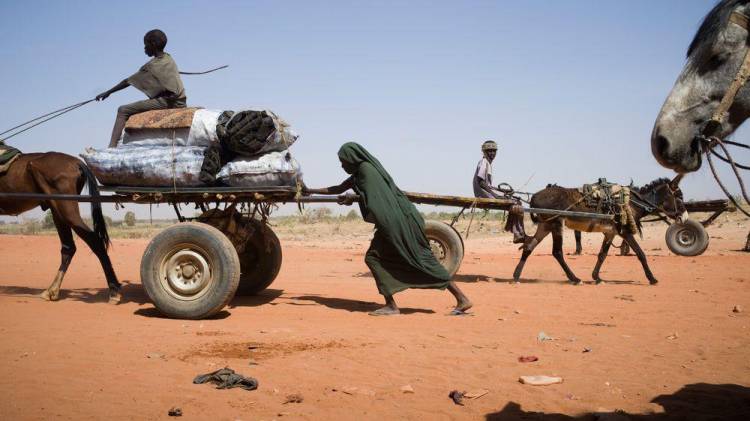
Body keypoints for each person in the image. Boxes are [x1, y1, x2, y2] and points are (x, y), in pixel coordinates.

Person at [305, 142, 473, 316]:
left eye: (343, 161)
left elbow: (375, 198)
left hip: (396, 222)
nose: (342, 165)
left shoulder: (366, 170)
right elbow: (339, 189)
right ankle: (460, 298)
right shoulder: (360, 172)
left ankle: (393, 306)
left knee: (383, 258)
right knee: (415, 258)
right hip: (397, 219)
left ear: (352, 158)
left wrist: (352, 198)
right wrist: (309, 190)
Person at [96, 29, 187, 148]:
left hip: (169, 102)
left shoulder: (151, 66)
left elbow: (127, 81)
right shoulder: (169, 58)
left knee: (123, 110)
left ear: (153, 44)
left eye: (146, 45)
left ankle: (111, 147)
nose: (144, 48)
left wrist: (108, 92)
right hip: (181, 100)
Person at [473, 140, 527, 243]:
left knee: (514, 200)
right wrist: (495, 195)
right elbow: (481, 182)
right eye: (489, 151)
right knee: (517, 203)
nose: (492, 153)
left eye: (494, 151)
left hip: (484, 192)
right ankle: (518, 233)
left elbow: (486, 184)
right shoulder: (484, 162)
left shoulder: (486, 163)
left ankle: (514, 230)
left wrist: (500, 191)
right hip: (482, 193)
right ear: (484, 152)